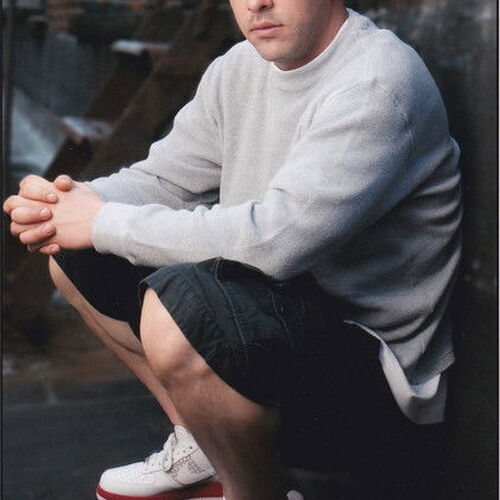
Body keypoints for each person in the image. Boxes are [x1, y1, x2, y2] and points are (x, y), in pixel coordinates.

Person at [4, 0, 462, 499]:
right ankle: (202, 447)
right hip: (286, 317)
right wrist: (66, 205)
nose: (257, 3)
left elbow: (274, 240)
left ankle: (254, 492)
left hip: (374, 382)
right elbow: (167, 180)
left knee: (177, 309)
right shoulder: (239, 67)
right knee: (74, 255)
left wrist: (100, 221)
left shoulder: (377, 83)